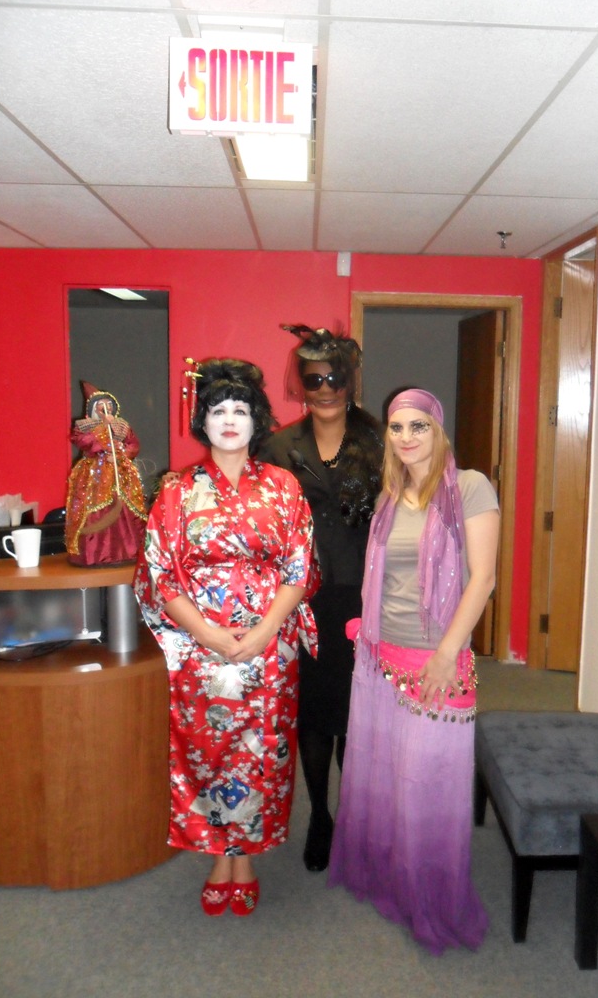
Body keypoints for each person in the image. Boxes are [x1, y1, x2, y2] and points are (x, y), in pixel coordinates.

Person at [133, 359, 319, 917]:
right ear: (203, 422)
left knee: (262, 751)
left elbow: (299, 567)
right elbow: (160, 575)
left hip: (270, 645)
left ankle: (248, 858)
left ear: (257, 420)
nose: (230, 420)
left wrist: (264, 630)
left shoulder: (284, 487)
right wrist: (209, 634)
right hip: (202, 645)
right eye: (218, 411)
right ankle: (220, 856)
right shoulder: (176, 491)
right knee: (210, 750)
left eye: (241, 410)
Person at [328, 388, 499, 954]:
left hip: (437, 656)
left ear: (438, 429)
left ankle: (430, 895)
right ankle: (392, 879)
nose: (406, 437)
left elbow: (483, 578)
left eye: (418, 426)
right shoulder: (389, 495)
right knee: (388, 775)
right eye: (397, 427)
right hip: (384, 653)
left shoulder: (469, 487)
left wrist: (448, 653)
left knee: (430, 785)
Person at [258, 325, 383, 872]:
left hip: (366, 595)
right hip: (302, 597)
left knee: (357, 712)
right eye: (314, 380)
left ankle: (354, 814)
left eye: (335, 378)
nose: (326, 389)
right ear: (302, 385)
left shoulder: (380, 441)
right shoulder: (278, 446)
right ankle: (321, 817)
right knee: (312, 712)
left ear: (350, 381)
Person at [65, 381, 148, 565]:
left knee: (125, 508)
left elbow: (134, 445)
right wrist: (103, 432)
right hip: (94, 474)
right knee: (96, 509)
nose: (106, 408)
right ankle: (96, 553)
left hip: (121, 472)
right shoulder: (85, 426)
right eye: (101, 405)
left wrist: (121, 453)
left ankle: (127, 550)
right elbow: (84, 442)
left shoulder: (122, 426)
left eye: (109, 405)